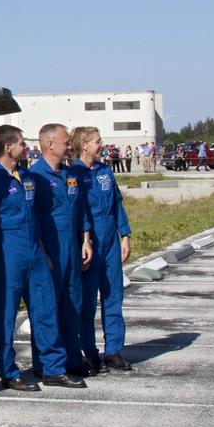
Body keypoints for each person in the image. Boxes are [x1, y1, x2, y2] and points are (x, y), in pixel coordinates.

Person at [0, 125, 80, 390]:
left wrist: (43, 252)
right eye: (22, 144)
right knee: (6, 314)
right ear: (8, 148)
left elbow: (35, 217)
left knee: (45, 309)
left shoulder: (27, 177)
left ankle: (52, 368)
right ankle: (9, 371)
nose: (27, 148)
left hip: (35, 252)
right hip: (8, 253)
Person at [29, 123, 93, 377]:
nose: (69, 146)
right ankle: (46, 364)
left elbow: (81, 210)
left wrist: (86, 239)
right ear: (49, 145)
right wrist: (42, 252)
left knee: (72, 304)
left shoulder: (70, 175)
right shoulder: (35, 178)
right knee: (47, 308)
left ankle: (72, 359)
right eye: (66, 142)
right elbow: (31, 218)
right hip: (50, 251)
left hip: (72, 248)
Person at [70, 127, 133, 373]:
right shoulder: (73, 174)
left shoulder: (106, 171)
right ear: (84, 145)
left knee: (113, 295)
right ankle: (90, 352)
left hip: (110, 243)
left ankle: (114, 350)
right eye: (97, 142)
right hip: (89, 242)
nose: (101, 145)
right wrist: (84, 241)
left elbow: (116, 204)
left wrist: (124, 234)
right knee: (87, 301)